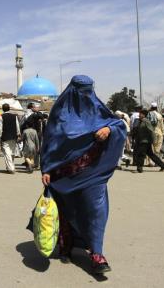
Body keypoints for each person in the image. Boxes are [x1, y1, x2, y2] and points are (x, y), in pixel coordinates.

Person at [40, 75, 126, 274]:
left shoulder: (97, 108)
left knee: (96, 210)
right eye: (81, 91)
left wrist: (108, 129)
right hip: (64, 173)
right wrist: (45, 168)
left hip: (93, 172)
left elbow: (119, 124)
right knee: (68, 212)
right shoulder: (60, 112)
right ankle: (66, 246)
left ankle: (97, 254)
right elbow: (50, 140)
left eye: (89, 90)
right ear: (72, 90)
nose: (85, 95)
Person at [0, 104, 21, 174]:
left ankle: (11, 168)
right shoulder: (14, 116)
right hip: (14, 136)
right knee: (12, 152)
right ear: (9, 109)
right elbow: (17, 126)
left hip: (5, 137)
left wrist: (0, 137)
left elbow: (0, 128)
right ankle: (10, 167)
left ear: (2, 109)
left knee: (7, 153)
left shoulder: (1, 116)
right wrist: (18, 134)